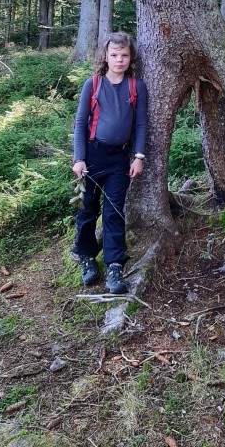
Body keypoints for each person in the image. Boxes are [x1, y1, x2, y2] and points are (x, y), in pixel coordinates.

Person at [72, 32, 147, 294]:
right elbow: (80, 123)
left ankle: (114, 265)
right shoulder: (93, 84)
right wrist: (79, 158)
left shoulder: (136, 87)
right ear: (105, 56)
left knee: (114, 211)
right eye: (114, 55)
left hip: (119, 159)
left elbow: (141, 124)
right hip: (92, 156)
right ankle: (86, 256)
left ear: (131, 57)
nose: (119, 60)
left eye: (124, 55)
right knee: (87, 208)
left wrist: (138, 156)